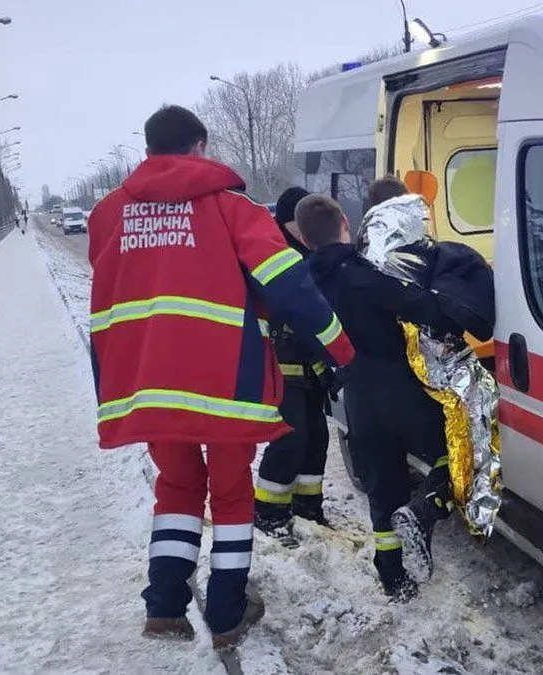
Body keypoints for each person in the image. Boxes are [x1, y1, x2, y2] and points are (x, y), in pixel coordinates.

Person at [88, 105, 356, 648]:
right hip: (222, 381)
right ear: (199, 148)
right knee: (230, 493)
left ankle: (163, 607)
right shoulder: (233, 208)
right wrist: (340, 347)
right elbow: (288, 286)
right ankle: (228, 613)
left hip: (148, 381)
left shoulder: (107, 214)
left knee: (177, 487)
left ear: (148, 151)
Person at [296, 188, 459, 601]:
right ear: (346, 226)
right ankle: (423, 512)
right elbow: (422, 308)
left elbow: (308, 338)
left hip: (357, 398)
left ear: (304, 239)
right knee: (454, 455)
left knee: (383, 486)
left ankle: (393, 579)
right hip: (399, 389)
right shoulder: (364, 274)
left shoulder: (305, 283)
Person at [253, 187, 338, 547]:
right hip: (283, 364)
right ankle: (269, 513)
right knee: (291, 437)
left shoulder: (308, 251)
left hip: (312, 364)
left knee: (317, 436)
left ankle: (308, 507)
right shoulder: (275, 253)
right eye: (295, 220)